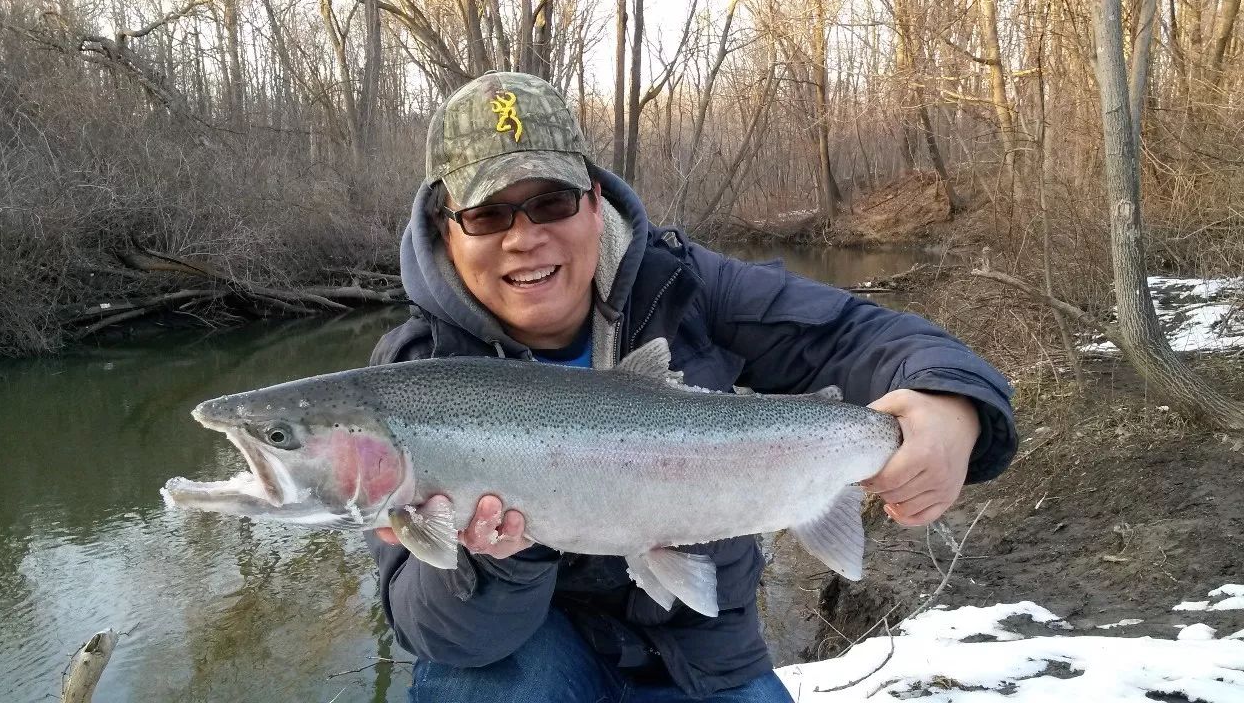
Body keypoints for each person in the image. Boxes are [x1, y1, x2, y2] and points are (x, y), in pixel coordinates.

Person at [363, 71, 1018, 702]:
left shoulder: (686, 285)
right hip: (526, 653)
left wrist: (950, 406)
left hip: (701, 655)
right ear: (446, 232)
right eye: (487, 215)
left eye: (550, 203)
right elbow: (430, 628)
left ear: (594, 204)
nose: (525, 238)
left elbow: (856, 336)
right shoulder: (409, 381)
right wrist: (500, 563)